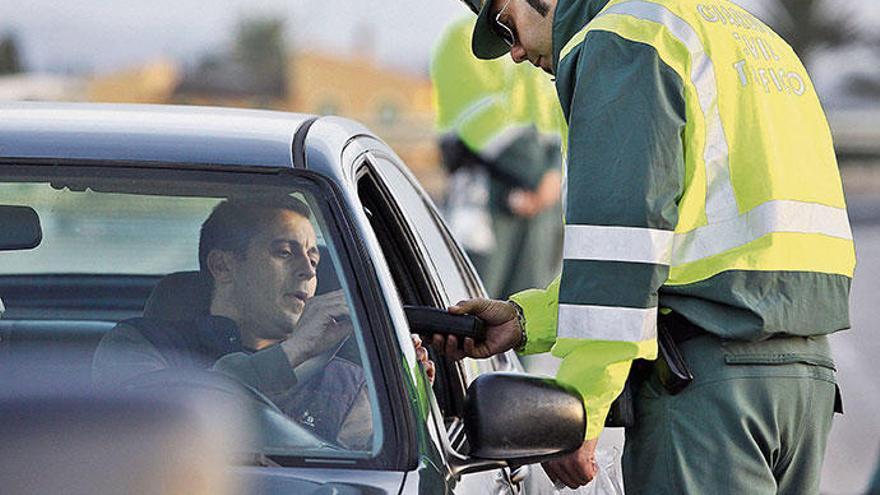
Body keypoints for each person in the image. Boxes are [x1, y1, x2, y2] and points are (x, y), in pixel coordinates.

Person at [436, 0, 856, 493]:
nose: (516, 52)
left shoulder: (625, 37)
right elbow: (704, 252)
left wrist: (578, 407)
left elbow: (622, 248)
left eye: (506, 26)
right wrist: (528, 319)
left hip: (708, 396)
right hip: (805, 387)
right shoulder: (753, 37)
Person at [93, 196, 434, 448]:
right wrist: (294, 351)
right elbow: (153, 431)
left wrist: (414, 397)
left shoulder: (352, 385)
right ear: (223, 267)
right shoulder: (139, 344)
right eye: (285, 252)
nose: (308, 270)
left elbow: (377, 477)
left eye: (313, 257)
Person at [431, 16, 565, 298]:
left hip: (539, 200)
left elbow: (555, 113)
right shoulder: (464, 38)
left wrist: (552, 176)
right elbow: (480, 119)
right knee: (476, 301)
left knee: (532, 306)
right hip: (485, 193)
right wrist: (545, 178)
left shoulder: (535, 36)